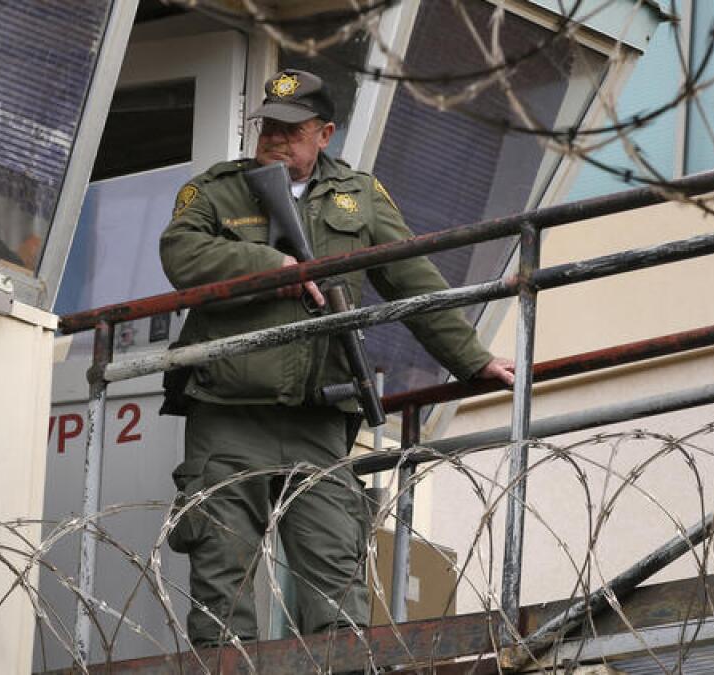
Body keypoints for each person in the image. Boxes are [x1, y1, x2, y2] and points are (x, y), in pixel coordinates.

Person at [159, 69, 515, 648]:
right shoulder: (215, 190)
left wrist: (472, 358)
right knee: (223, 579)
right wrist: (270, 269)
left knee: (335, 580)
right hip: (227, 412)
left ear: (324, 133)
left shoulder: (361, 196)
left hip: (317, 419)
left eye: (291, 129)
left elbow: (413, 280)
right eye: (268, 128)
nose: (275, 139)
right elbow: (181, 254)